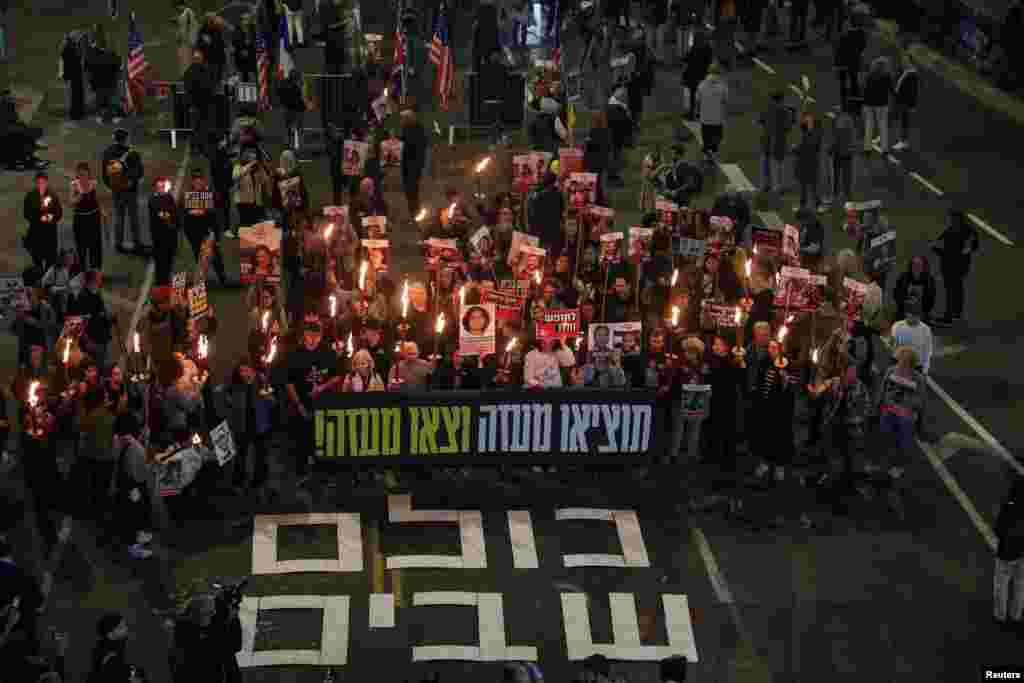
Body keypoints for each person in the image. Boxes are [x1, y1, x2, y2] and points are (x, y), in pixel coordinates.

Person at [286, 321, 337, 484]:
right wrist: (299, 405)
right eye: (309, 335)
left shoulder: (328, 352)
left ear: (321, 336)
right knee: (302, 440)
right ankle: (301, 474)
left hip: (323, 403)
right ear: (304, 335)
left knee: (323, 439)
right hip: (302, 403)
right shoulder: (295, 354)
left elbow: (337, 376)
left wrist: (322, 387)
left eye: (316, 336)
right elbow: (289, 383)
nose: (313, 339)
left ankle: (323, 473)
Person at [170, 593, 242, 683]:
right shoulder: (185, 630)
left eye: (213, 611)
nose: (213, 614)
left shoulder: (210, 627)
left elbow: (234, 646)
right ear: (196, 611)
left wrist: (234, 620)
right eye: (208, 612)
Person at [930, 208, 979, 326]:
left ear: (956, 219)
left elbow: (948, 252)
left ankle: (948, 317)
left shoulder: (952, 231)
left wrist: (936, 249)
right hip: (961, 266)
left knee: (951, 291)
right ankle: (957, 313)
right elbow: (973, 246)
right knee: (957, 289)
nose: (949, 220)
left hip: (951, 266)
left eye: (951, 218)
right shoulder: (969, 231)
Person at [181, 168, 228, 286]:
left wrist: (205, 211)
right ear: (192, 181)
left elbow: (217, 212)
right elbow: (181, 213)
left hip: (207, 229)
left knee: (215, 254)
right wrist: (190, 213)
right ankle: (202, 280)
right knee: (199, 255)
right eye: (195, 180)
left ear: (204, 180)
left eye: (200, 180)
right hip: (193, 232)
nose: (198, 182)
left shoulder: (210, 194)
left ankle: (222, 277)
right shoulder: (187, 195)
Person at [102, 128, 146, 254]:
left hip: (116, 191)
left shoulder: (107, 152)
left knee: (119, 217)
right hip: (131, 191)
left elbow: (105, 175)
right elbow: (140, 172)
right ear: (125, 139)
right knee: (133, 217)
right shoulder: (132, 153)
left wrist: (112, 187)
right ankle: (137, 243)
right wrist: (132, 181)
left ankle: (118, 244)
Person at [993, 474, 1024, 627]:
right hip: (1022, 551)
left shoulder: (1009, 507)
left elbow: (998, 529)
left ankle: (1001, 615)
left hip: (1006, 551)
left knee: (1002, 584)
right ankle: (1016, 614)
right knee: (1020, 584)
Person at [23, 172, 63, 272]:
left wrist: (49, 218)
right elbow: (26, 213)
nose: (41, 185)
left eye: (43, 182)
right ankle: (39, 277)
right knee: (37, 259)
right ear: (35, 183)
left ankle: (47, 279)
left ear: (47, 182)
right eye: (38, 182)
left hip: (50, 233)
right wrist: (39, 218)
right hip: (36, 232)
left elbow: (58, 213)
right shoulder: (30, 196)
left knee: (50, 261)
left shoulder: (53, 196)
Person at [71, 162, 104, 271]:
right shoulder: (74, 185)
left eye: (85, 174)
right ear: (77, 174)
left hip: (93, 218)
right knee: (81, 246)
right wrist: (79, 195)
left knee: (95, 245)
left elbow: (97, 200)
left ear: (89, 174)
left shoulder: (93, 183)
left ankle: (95, 271)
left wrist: (102, 211)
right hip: (80, 219)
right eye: (80, 174)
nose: (83, 177)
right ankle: (82, 270)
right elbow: (71, 202)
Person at [148, 177, 181, 287]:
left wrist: (175, 223)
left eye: (163, 187)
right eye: (159, 187)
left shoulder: (169, 197)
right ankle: (161, 283)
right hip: (159, 237)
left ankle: (165, 282)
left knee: (169, 260)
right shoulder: (153, 200)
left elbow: (174, 213)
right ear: (155, 188)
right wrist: (170, 218)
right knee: (160, 262)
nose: (161, 189)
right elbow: (161, 214)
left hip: (170, 236)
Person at [758, 92, 793, 193]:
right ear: (781, 100)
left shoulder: (766, 109)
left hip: (766, 140)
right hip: (778, 140)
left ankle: (765, 185)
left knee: (765, 164)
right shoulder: (785, 111)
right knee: (777, 164)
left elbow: (760, 123)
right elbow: (788, 127)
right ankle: (776, 187)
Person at [400, 108, 429, 223]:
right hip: (406, 165)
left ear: (408, 119)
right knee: (409, 191)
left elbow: (418, 146)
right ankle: (413, 213)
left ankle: (415, 214)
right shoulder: (405, 129)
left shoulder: (417, 129)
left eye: (403, 118)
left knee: (412, 191)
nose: (401, 121)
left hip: (414, 166)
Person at [696, 62, 728, 161]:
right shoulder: (722, 86)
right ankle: (714, 152)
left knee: (706, 137)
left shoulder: (701, 85)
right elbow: (725, 101)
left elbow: (698, 101)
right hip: (718, 118)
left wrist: (698, 113)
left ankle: (707, 152)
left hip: (705, 118)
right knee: (717, 136)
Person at [890, 299, 933, 375]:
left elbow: (927, 352)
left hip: (917, 367)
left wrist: (925, 370)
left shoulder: (925, 329)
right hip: (899, 365)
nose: (914, 317)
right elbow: (892, 348)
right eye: (912, 314)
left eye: (917, 314)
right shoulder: (897, 326)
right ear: (906, 314)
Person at [87, 613, 132, 681]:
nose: (126, 629)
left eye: (126, 625)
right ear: (109, 633)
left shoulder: (116, 644)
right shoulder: (109, 652)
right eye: (120, 627)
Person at [862, 56, 893, 155]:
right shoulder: (887, 76)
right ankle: (884, 149)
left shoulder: (869, 75)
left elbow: (864, 89)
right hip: (882, 104)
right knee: (883, 126)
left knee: (869, 125)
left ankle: (867, 148)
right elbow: (891, 90)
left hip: (868, 103)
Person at [893, 255, 937, 323]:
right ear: (910, 266)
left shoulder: (929, 280)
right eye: (914, 264)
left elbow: (931, 299)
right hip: (904, 312)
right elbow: (897, 295)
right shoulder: (903, 278)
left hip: (922, 313)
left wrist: (921, 310)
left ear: (923, 266)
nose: (916, 267)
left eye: (919, 265)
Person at [682, 30, 713, 120]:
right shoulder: (708, 48)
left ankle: (692, 113)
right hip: (703, 75)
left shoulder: (694, 48)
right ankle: (700, 112)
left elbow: (685, 59)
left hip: (692, 75)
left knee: (692, 95)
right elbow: (709, 61)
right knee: (702, 95)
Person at [891, 54, 919, 151]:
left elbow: (913, 91)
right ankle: (900, 140)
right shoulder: (905, 72)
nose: (903, 62)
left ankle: (903, 142)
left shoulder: (913, 75)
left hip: (904, 102)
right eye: (903, 60)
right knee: (897, 119)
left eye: (906, 61)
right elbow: (898, 83)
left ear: (910, 62)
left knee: (903, 122)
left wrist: (912, 105)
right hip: (899, 100)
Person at [60, 31, 85, 121]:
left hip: (74, 76)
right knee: (75, 95)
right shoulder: (70, 49)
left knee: (75, 95)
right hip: (73, 76)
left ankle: (76, 113)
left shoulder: (70, 48)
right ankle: (76, 113)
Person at [175, 2, 200, 75]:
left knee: (186, 61)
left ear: (181, 5)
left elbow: (188, 28)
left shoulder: (188, 12)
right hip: (187, 42)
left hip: (188, 42)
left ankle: (188, 75)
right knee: (185, 61)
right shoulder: (185, 14)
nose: (177, 9)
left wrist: (190, 42)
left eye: (177, 7)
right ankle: (187, 74)